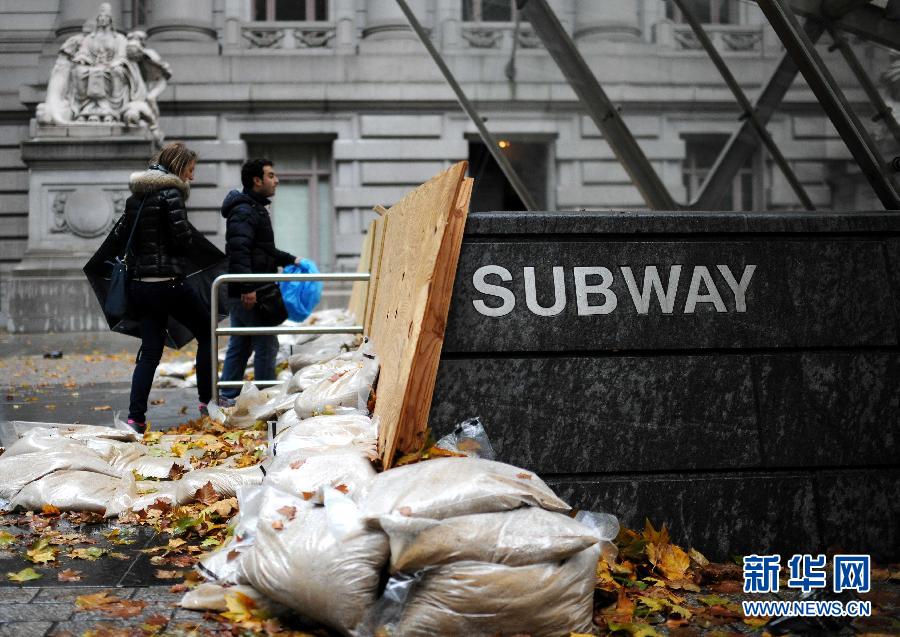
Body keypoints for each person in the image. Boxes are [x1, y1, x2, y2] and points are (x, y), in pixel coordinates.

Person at [124, 142, 216, 432]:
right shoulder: (171, 194)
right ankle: (208, 400)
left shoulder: (136, 197)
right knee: (207, 331)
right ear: (179, 167)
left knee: (150, 351)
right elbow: (181, 239)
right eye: (191, 170)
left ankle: (135, 418)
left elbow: (126, 238)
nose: (193, 177)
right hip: (168, 283)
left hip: (141, 286)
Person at [219, 158, 302, 400]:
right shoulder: (245, 210)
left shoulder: (252, 208)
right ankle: (266, 399)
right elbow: (239, 251)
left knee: (241, 344)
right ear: (257, 180)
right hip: (249, 292)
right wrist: (248, 287)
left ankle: (228, 395)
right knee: (266, 344)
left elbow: (263, 250)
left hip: (249, 289)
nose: (276, 180)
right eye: (271, 176)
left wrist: (292, 259)